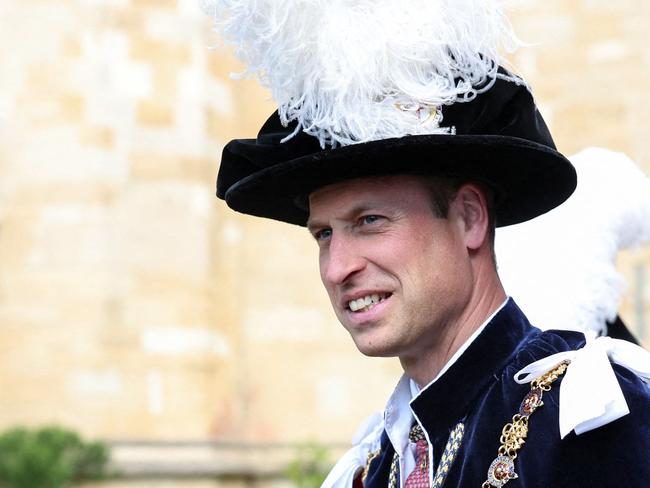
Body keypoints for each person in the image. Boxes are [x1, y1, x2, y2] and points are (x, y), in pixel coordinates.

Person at [205, 0, 650, 486]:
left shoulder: (590, 420)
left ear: (469, 218)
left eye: (370, 220)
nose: (337, 269)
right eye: (324, 233)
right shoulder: (372, 468)